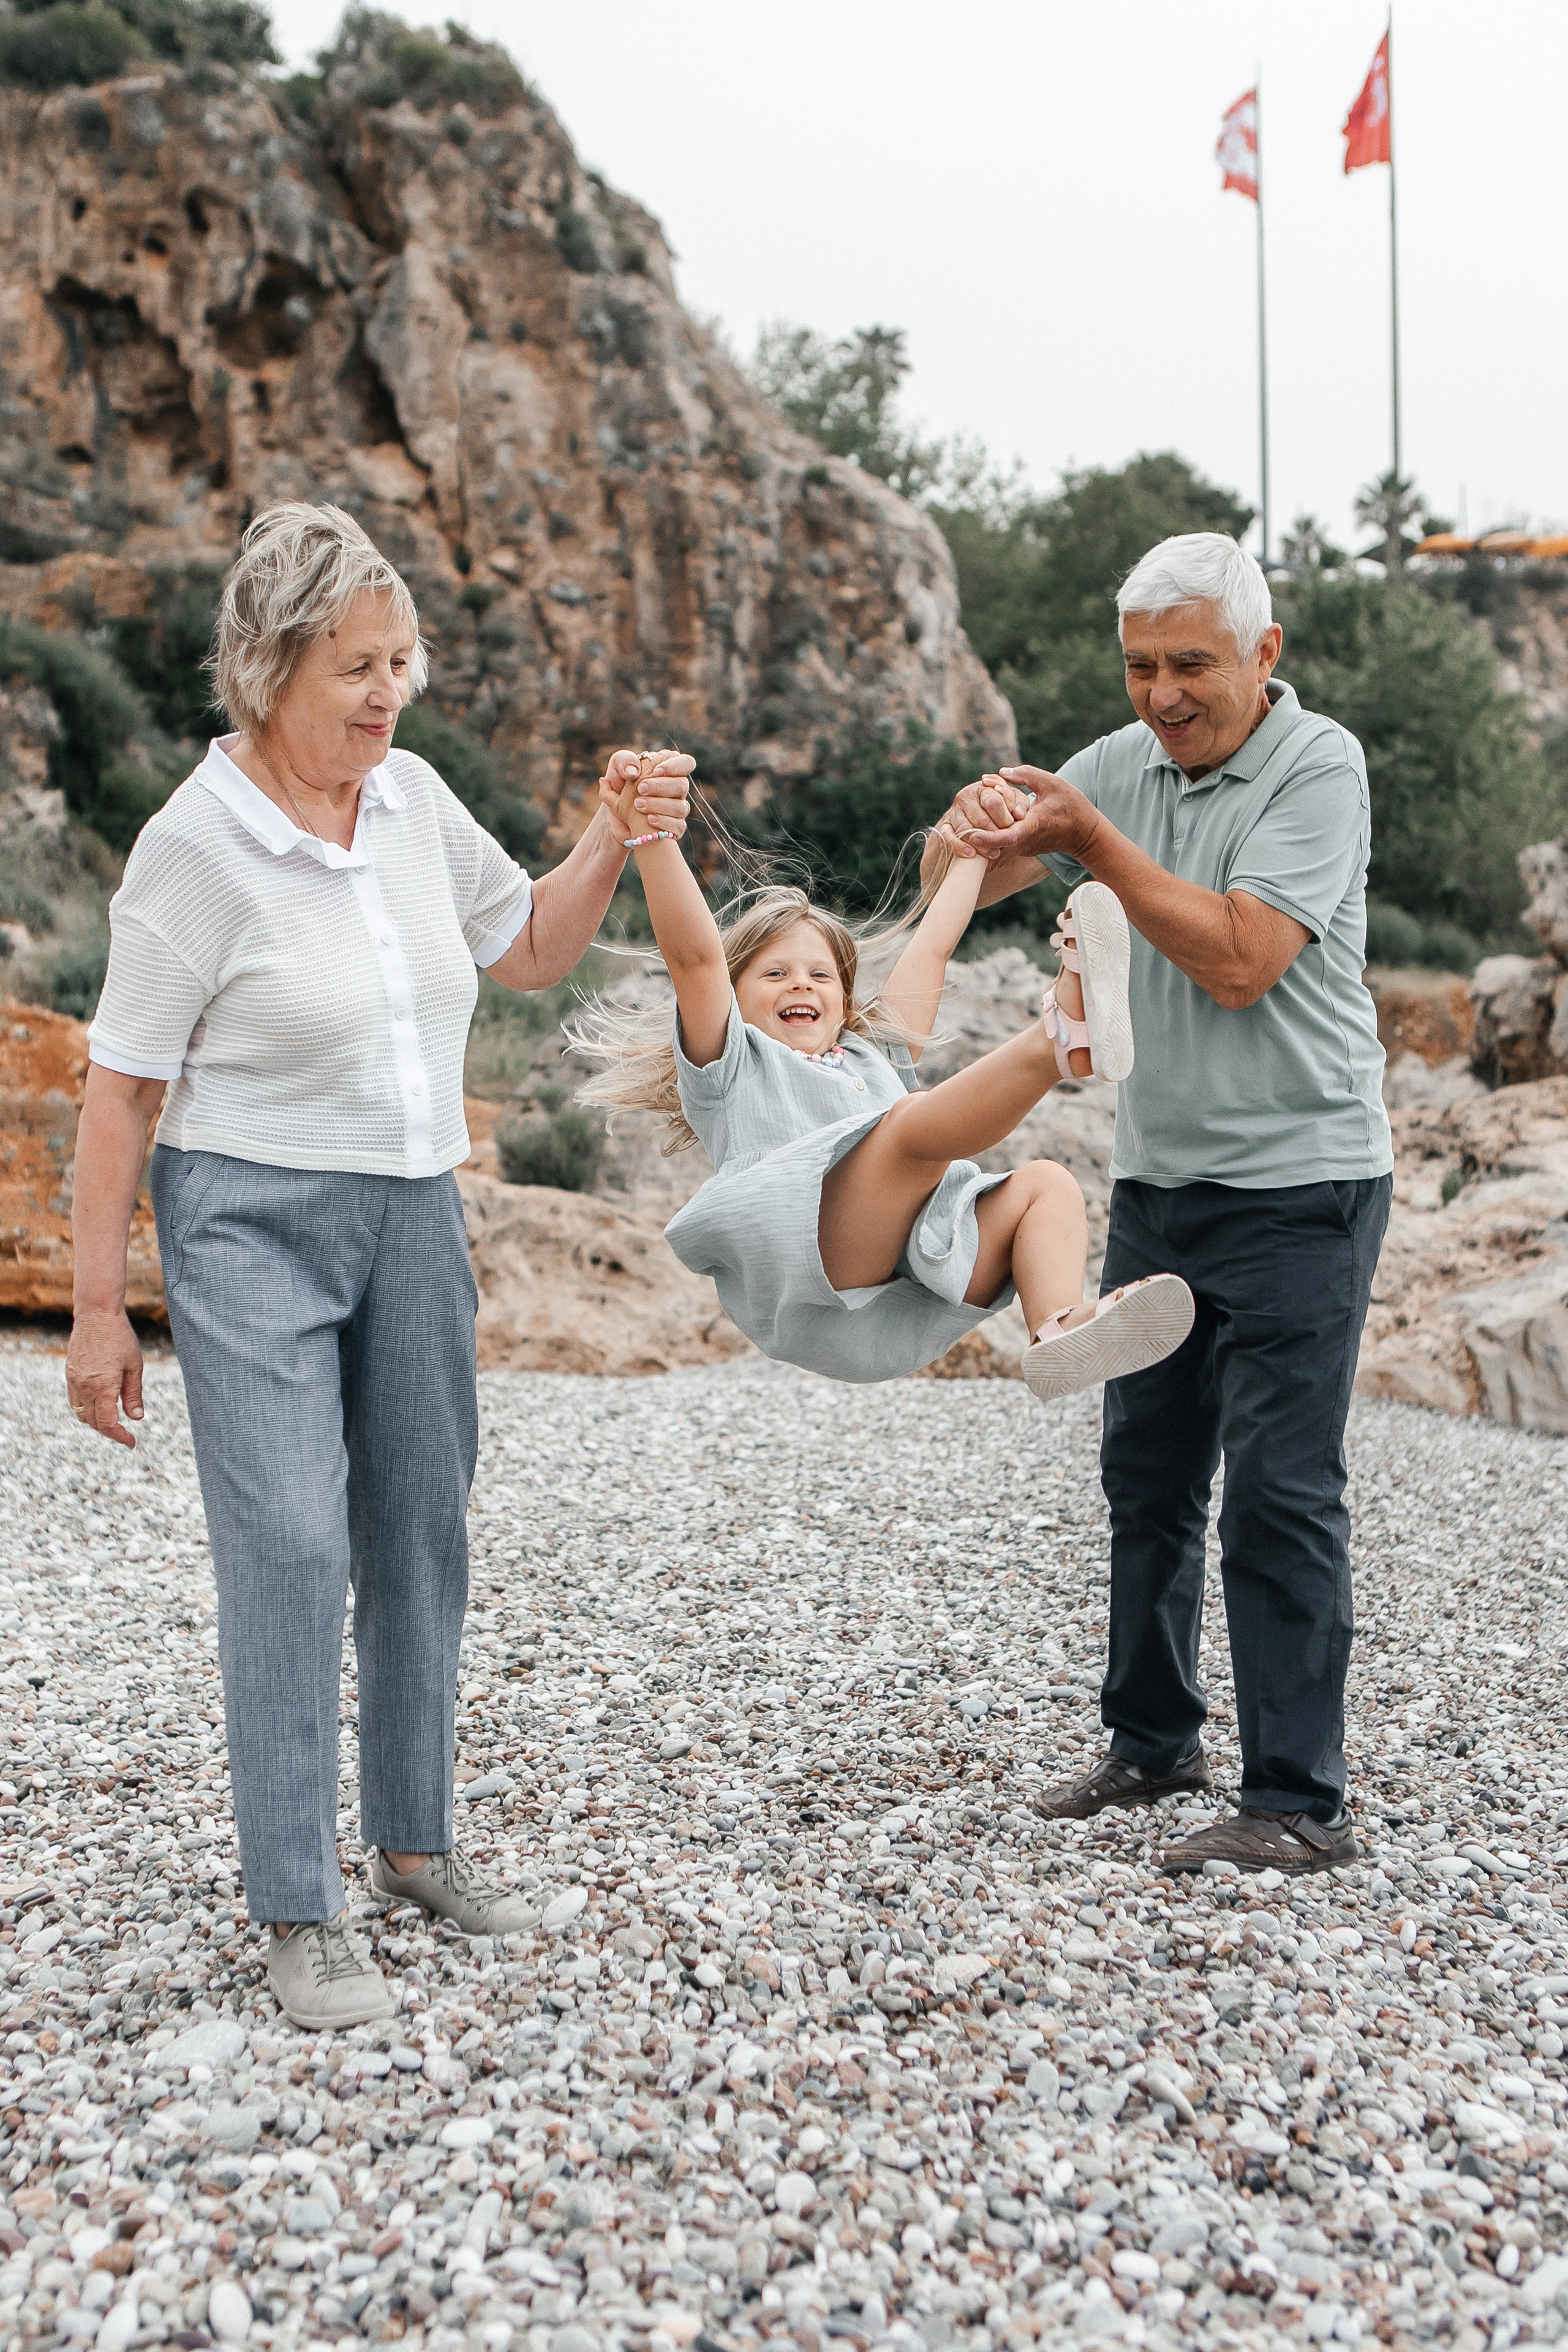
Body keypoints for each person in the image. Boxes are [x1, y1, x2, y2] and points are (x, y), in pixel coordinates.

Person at [64, 502, 693, 2029]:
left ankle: (416, 1843)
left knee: (418, 1529)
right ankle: (299, 1904)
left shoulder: (411, 800)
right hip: (248, 1220)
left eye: (400, 659)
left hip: (416, 1211)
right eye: (356, 663)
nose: (386, 690)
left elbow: (529, 948)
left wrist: (614, 831)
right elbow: (125, 1085)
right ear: (271, 664)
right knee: (288, 1546)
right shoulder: (193, 845)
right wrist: (96, 1302)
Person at [929, 531, 1393, 1876]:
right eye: (1138, 667)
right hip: (1161, 1184)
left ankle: (1299, 1802)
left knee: (1279, 1491)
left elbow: (1242, 959)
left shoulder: (1320, 766)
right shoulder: (1112, 766)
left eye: (1189, 664)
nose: (1160, 694)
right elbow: (970, 880)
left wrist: (1087, 840)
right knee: (1143, 1475)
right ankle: (1149, 1742)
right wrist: (955, 842)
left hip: (1304, 1184)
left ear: (1263, 653)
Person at [571, 756, 1195, 1393]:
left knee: (1045, 1186)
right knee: (904, 1130)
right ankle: (1060, 1039)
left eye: (820, 976)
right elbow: (695, 958)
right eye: (776, 973)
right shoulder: (730, 1062)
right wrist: (650, 835)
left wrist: (976, 847)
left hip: (908, 1290)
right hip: (816, 1268)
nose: (801, 985)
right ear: (734, 998)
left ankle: (1057, 1330)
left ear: (844, 1000)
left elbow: (932, 946)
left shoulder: (872, 1055)